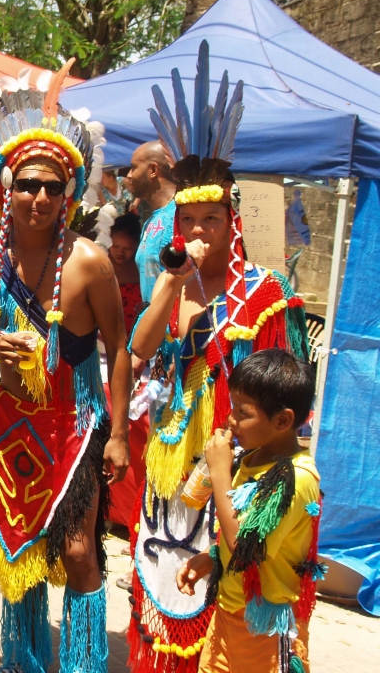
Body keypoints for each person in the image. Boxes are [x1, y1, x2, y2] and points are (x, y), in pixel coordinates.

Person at [127, 41, 310, 673]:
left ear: (232, 222)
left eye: (211, 219)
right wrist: (174, 287)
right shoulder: (169, 283)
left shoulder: (264, 293)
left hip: (233, 462)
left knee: (224, 588)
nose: (199, 231)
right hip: (170, 449)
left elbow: (284, 392)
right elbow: (140, 348)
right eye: (190, 220)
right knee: (163, 572)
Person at [0, 62, 132, 672]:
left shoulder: (88, 262)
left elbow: (120, 348)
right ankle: (25, 662)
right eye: (27, 184)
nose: (38, 198)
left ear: (70, 194)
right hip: (8, 426)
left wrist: (117, 435)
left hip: (73, 429)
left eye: (53, 187)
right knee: (17, 553)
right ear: (5, 186)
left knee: (81, 551)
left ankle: (84, 665)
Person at [177, 349, 322, 673]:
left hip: (266, 632)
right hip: (228, 615)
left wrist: (219, 473)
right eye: (233, 407)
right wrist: (212, 557)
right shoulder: (252, 458)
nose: (231, 420)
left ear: (283, 420)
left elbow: (244, 547)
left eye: (243, 412)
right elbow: (245, 534)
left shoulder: (294, 478)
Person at [127, 141, 177, 303]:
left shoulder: (183, 216)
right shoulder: (150, 221)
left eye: (134, 167)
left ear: (153, 170)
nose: (129, 175)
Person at [110, 212, 143, 335]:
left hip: (137, 332)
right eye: (115, 246)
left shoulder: (140, 266)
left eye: (127, 248)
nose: (120, 252)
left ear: (137, 246)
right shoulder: (102, 263)